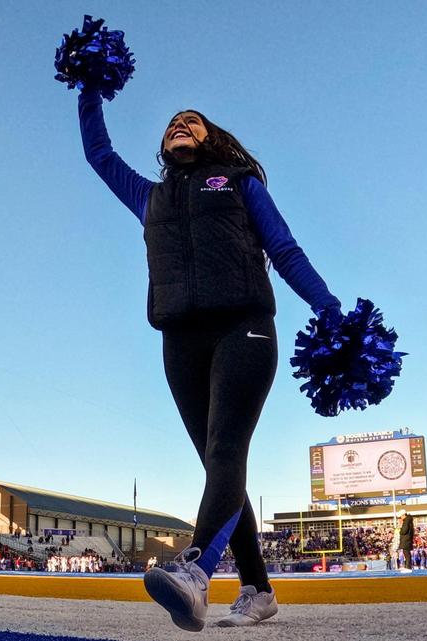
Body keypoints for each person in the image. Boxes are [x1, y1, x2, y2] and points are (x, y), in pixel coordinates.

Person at [74, 89, 341, 630]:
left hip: (243, 326)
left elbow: (284, 250)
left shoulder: (241, 184)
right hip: (179, 338)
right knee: (218, 465)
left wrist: (329, 307)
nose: (178, 124)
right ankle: (259, 590)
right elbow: (99, 155)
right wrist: (89, 90)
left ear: (210, 137)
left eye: (190, 121)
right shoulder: (149, 197)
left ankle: (196, 574)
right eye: (172, 122)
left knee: (225, 448)